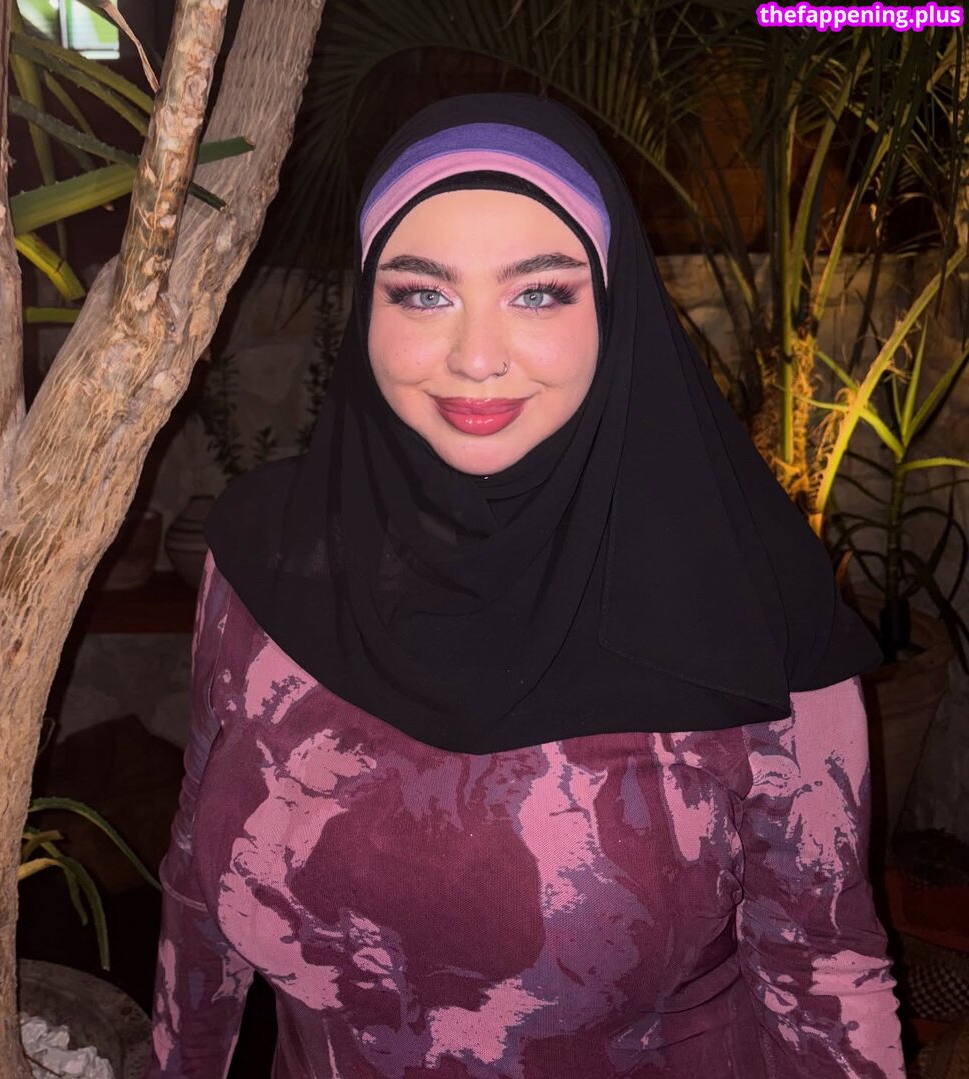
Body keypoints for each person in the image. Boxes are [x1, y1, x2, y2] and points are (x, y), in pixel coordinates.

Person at [147, 93, 905, 1078]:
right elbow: (195, 890)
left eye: (539, 293)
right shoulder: (270, 556)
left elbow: (826, 976)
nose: (476, 356)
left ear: (612, 307)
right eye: (422, 293)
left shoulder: (752, 605)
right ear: (367, 306)